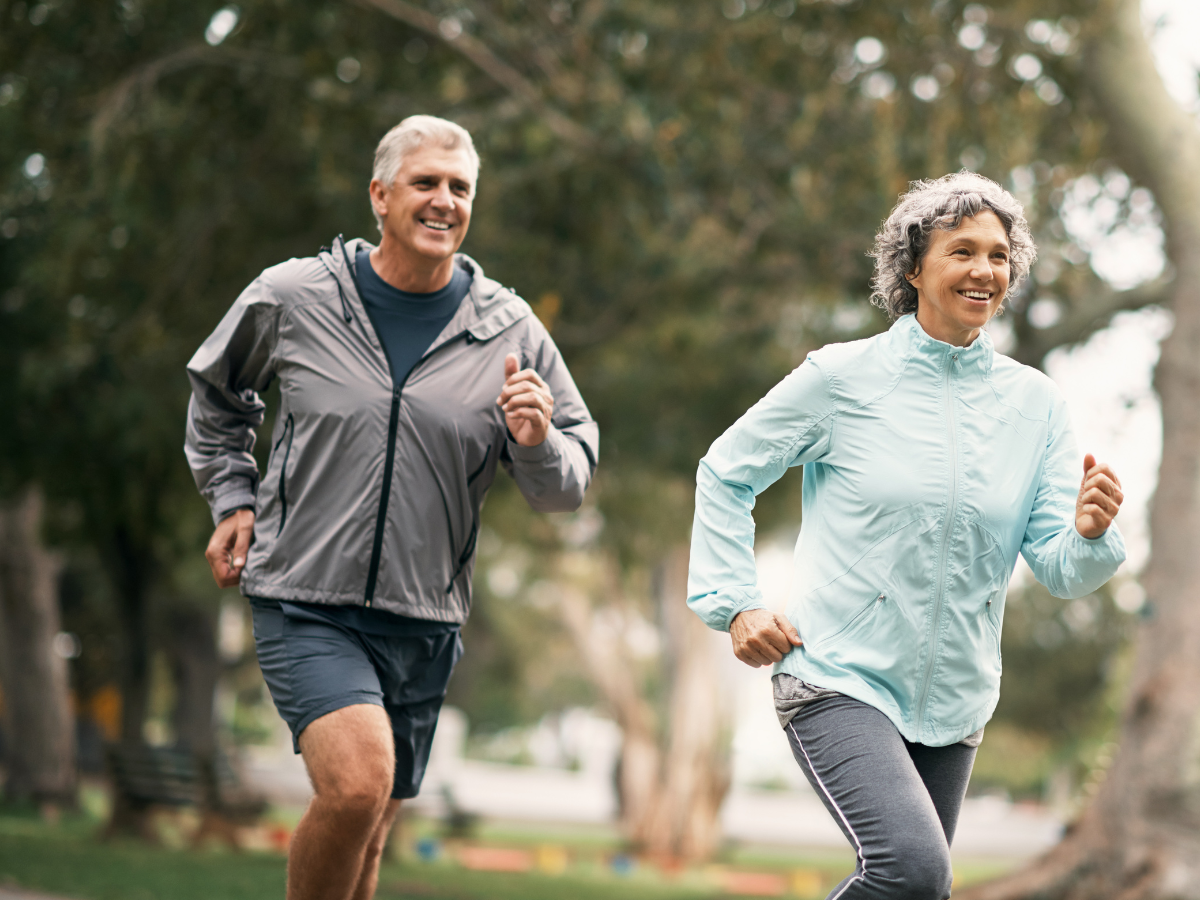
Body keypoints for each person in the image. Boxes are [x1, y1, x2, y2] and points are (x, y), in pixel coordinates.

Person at [184, 115, 598, 900]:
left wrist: (538, 439)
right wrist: (232, 495)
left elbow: (563, 488)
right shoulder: (294, 296)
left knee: (371, 832)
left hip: (424, 618)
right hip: (305, 597)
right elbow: (217, 394)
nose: (445, 200)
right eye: (426, 183)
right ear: (379, 195)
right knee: (355, 786)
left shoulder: (506, 328)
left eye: (460, 187)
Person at [686, 172, 1125, 899]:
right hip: (836, 675)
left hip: (956, 702)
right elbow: (726, 472)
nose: (985, 269)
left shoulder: (1036, 406)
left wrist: (1088, 533)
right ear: (914, 266)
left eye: (999, 254)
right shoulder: (843, 378)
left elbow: (1059, 568)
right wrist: (736, 603)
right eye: (962, 251)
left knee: (917, 891)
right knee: (912, 873)